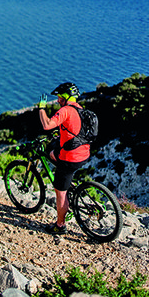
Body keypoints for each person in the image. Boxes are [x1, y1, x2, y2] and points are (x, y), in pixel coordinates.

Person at [38, 82, 91, 234]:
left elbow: (47, 125)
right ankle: (67, 181)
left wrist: (41, 108)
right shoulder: (81, 110)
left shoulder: (66, 110)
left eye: (60, 97)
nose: (58, 100)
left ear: (67, 97)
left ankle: (60, 225)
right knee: (53, 152)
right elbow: (76, 130)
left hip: (71, 158)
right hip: (84, 153)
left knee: (60, 192)